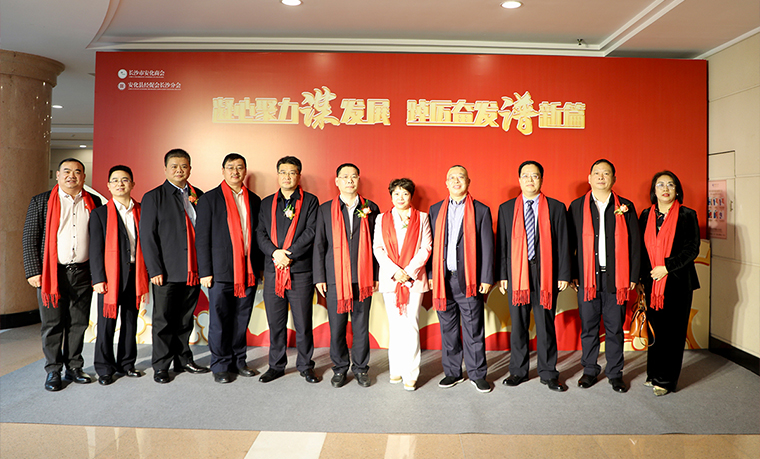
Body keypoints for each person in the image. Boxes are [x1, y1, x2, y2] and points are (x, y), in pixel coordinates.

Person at [23, 158, 103, 391]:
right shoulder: (41, 201)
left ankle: (74, 367)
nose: (72, 176)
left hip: (82, 272)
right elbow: (30, 237)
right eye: (66, 171)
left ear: (83, 177)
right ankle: (53, 370)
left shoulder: (94, 202)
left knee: (78, 323)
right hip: (51, 273)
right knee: (52, 324)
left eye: (77, 172)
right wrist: (33, 271)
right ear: (57, 175)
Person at [496, 161, 571, 392]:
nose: (530, 180)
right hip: (516, 273)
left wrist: (564, 274)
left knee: (545, 324)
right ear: (519, 179)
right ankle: (518, 371)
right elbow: (502, 245)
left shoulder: (556, 207)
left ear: (542, 179)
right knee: (518, 325)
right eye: (526, 176)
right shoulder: (506, 208)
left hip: (546, 273)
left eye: (535, 176)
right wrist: (502, 275)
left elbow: (564, 243)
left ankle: (548, 373)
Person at [568, 159, 640, 393]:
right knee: (588, 328)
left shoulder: (626, 207)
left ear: (614, 179)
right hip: (587, 279)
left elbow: (635, 244)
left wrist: (633, 275)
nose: (601, 177)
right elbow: (570, 244)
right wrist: (572, 274)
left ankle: (615, 373)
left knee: (614, 328)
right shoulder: (576, 206)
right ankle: (589, 370)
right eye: (597, 173)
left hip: (615, 279)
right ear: (589, 178)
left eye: (606, 173)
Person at [140, 149, 209, 384]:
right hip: (166, 272)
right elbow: (147, 237)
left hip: (193, 270)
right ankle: (161, 365)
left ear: (190, 168)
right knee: (163, 320)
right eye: (174, 166)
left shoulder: (199, 195)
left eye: (184, 166)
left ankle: (183, 359)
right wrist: (154, 269)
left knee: (185, 319)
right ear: (165, 169)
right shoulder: (154, 197)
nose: (179, 170)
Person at [195, 153, 263, 384]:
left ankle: (238, 361)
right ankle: (221, 364)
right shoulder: (209, 199)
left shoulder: (254, 200)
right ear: (223, 170)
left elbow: (257, 237)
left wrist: (259, 268)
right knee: (220, 321)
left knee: (241, 319)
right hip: (220, 272)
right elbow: (202, 238)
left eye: (240, 167)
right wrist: (205, 271)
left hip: (247, 270)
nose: (235, 172)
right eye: (231, 167)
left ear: (245, 171)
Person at [428, 165, 494, 393]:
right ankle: (452, 373)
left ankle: (477, 374)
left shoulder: (481, 210)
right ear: (446, 183)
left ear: (468, 182)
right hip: (442, 279)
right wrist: (430, 275)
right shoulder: (435, 210)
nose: (456, 181)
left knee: (473, 329)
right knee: (448, 329)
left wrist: (486, 277)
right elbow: (430, 245)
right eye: (452, 178)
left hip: (469, 280)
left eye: (461, 177)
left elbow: (488, 246)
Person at [313, 163, 380, 388]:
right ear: (337, 181)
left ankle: (360, 369)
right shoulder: (325, 209)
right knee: (337, 327)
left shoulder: (371, 207)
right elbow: (319, 245)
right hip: (334, 278)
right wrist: (320, 277)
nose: (349, 180)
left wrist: (376, 274)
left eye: (353, 176)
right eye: (345, 177)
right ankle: (340, 368)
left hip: (363, 277)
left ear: (359, 179)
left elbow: (377, 245)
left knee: (361, 327)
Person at [255, 156, 320, 384]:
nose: (287, 176)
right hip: (273, 270)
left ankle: (305, 365)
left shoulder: (310, 201)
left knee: (303, 323)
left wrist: (288, 254)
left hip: (299, 271)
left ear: (299, 175)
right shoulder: (266, 203)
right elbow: (260, 233)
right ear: (278, 175)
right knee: (276, 323)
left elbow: (311, 232)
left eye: (292, 172)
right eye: (283, 172)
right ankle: (276, 365)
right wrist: (275, 253)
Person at [638, 171, 700, 396]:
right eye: (660, 185)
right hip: (652, 282)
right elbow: (641, 250)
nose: (665, 189)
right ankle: (653, 373)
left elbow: (692, 249)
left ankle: (666, 380)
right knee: (655, 331)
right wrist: (641, 278)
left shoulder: (687, 215)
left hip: (677, 282)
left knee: (673, 333)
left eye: (670, 185)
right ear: (654, 190)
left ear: (677, 190)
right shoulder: (646, 215)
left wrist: (666, 267)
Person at [89, 165, 150, 385]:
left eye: (124, 180)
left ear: (132, 184)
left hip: (135, 274)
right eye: (115, 180)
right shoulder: (100, 214)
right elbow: (95, 249)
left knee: (130, 323)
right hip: (110, 277)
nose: (120, 184)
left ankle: (126, 364)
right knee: (106, 324)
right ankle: (104, 368)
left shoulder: (142, 211)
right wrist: (98, 278)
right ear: (108, 185)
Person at [373, 178, 432, 391]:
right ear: (391, 196)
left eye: (405, 193)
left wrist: (408, 272)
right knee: (395, 325)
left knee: (410, 325)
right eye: (396, 193)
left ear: (411, 196)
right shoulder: (381, 218)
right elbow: (378, 248)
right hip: (391, 279)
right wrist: (395, 272)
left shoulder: (422, 218)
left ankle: (411, 373)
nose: (400, 197)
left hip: (413, 280)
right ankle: (396, 369)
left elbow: (426, 247)